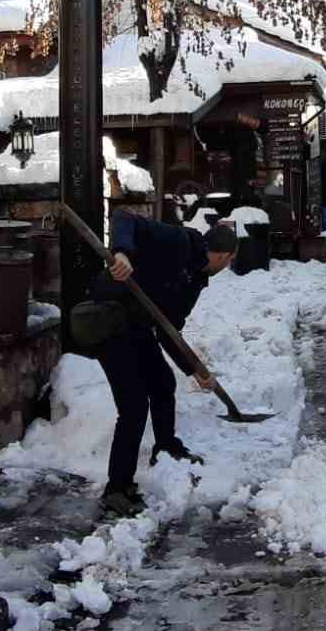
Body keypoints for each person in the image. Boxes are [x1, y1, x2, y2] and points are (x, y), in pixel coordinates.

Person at [90, 210, 238, 517]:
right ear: (225, 256)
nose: (228, 266)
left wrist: (195, 371)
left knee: (162, 383)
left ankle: (166, 446)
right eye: (230, 261)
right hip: (109, 320)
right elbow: (124, 218)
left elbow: (169, 329)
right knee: (133, 406)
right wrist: (123, 253)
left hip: (137, 324)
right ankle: (116, 489)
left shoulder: (195, 280)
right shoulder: (180, 242)